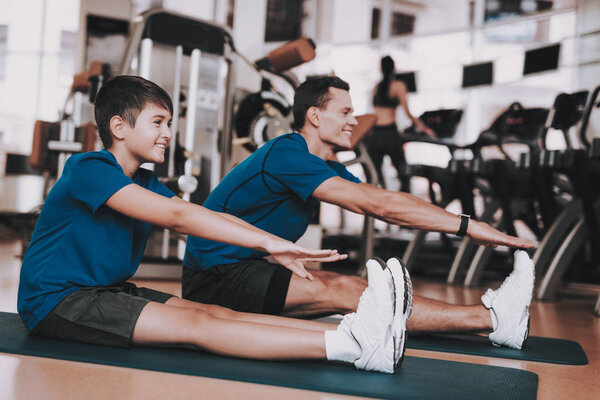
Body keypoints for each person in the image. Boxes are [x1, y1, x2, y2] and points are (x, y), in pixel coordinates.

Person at [16, 75, 411, 375]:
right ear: (120, 127)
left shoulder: (143, 180)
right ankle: (354, 348)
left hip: (106, 291)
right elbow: (179, 217)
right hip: (58, 301)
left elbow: (204, 218)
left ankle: (360, 333)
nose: (168, 133)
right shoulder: (88, 168)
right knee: (199, 325)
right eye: (158, 122)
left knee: (215, 312)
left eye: (169, 122)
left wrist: (270, 242)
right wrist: (272, 245)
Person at [183, 75, 536, 350]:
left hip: (246, 269)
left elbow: (382, 199)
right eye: (345, 112)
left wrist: (465, 224)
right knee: (346, 290)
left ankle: (494, 317)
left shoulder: (323, 165)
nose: (353, 120)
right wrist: (468, 227)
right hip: (215, 279)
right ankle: (492, 318)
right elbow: (380, 207)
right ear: (315, 116)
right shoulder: (286, 155)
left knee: (358, 290)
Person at [366, 55, 435, 191]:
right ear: (394, 68)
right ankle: (405, 204)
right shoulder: (398, 86)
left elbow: (374, 113)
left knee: (373, 177)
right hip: (389, 134)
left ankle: (372, 209)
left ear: (381, 68)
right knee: (403, 173)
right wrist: (424, 128)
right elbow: (407, 112)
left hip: (375, 134)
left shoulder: (376, 87)